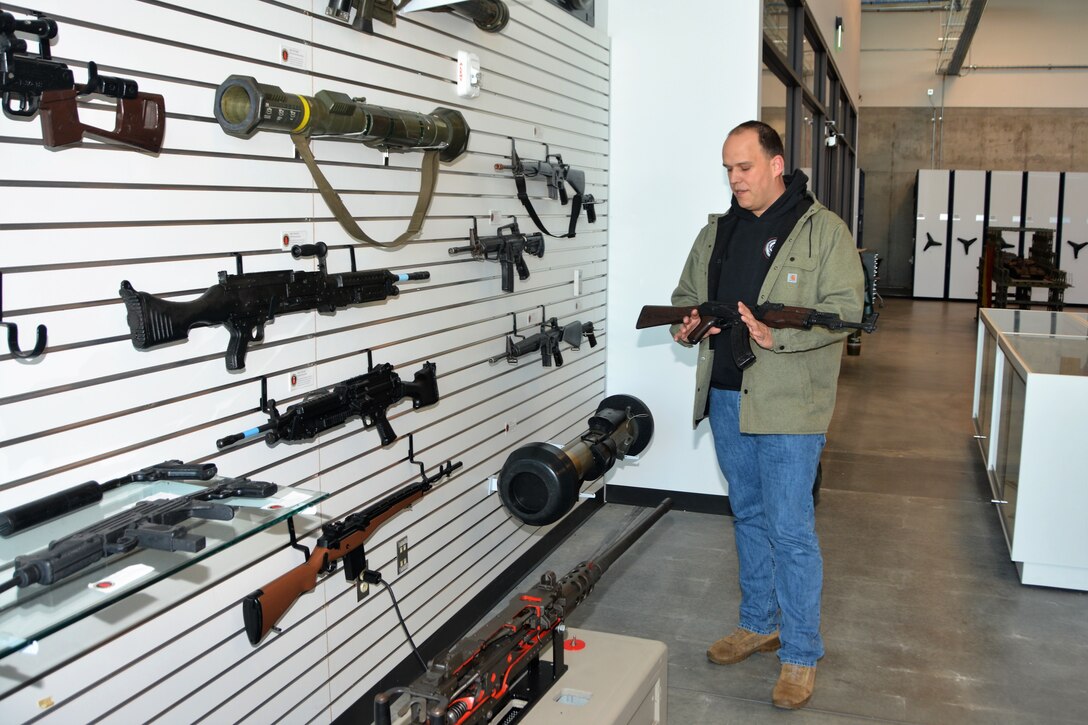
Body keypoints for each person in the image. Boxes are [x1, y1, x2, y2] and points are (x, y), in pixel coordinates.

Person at [669, 120, 864, 710]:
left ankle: (801, 652)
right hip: (728, 396)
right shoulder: (717, 232)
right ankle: (759, 622)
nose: (734, 178)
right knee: (748, 515)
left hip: (790, 404)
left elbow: (844, 312)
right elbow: (685, 296)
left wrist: (778, 340)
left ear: (776, 164)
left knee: (791, 528)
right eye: (728, 168)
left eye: (744, 167)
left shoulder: (823, 231)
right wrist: (688, 325)